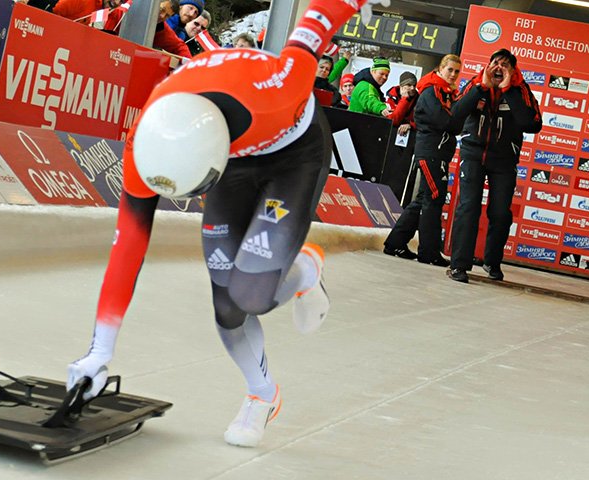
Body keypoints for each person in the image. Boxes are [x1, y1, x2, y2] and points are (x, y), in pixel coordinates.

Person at [66, 0, 386, 448]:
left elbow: (315, 21)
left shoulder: (280, 86)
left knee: (251, 293)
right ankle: (263, 394)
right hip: (230, 164)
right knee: (227, 306)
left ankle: (303, 269)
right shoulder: (148, 144)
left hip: (293, 154)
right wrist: (100, 350)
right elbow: (128, 247)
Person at [445, 48, 542, 283]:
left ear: (513, 70)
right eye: (495, 63)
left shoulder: (521, 89)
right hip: (474, 155)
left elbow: (532, 124)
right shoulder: (476, 83)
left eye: (505, 65)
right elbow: (455, 115)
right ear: (488, 65)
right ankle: (458, 265)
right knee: (468, 207)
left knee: (500, 213)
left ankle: (492, 261)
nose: (499, 68)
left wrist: (508, 89)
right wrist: (481, 87)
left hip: (504, 160)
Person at [382, 55, 462, 266]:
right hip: (430, 153)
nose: (453, 75)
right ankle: (429, 252)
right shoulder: (431, 90)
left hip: (436, 152)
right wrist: (457, 120)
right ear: (440, 69)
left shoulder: (444, 92)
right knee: (433, 198)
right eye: (450, 70)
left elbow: (451, 123)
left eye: (456, 71)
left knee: (423, 199)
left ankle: (395, 243)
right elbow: (446, 122)